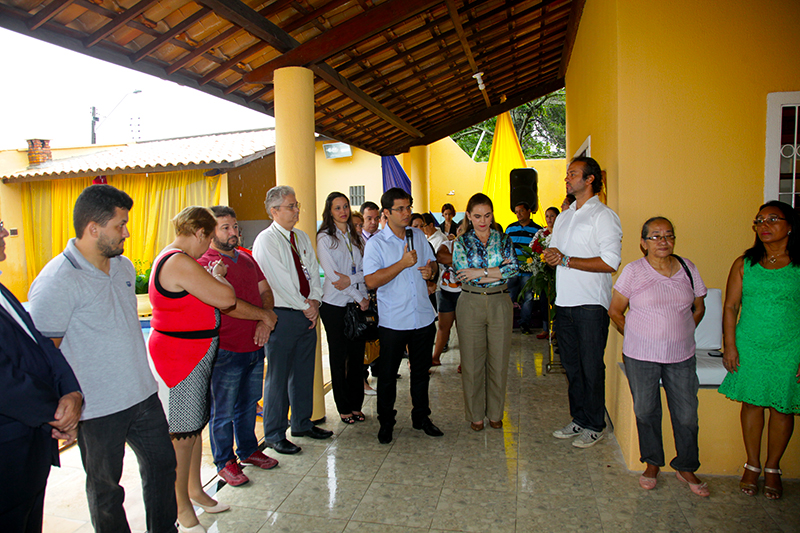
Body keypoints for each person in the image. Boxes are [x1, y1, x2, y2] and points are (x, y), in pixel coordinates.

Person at [29, 185, 178, 533]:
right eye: (120, 224)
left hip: (142, 394)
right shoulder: (57, 280)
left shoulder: (123, 266)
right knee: (107, 490)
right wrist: (61, 408)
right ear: (93, 228)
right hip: (96, 408)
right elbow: (44, 354)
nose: (126, 231)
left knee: (162, 466)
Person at [148, 206, 236, 532]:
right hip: (180, 358)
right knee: (182, 435)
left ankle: (195, 489)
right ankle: (181, 506)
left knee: (195, 427)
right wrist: (217, 277)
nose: (209, 247)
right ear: (199, 233)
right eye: (209, 239)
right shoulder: (178, 262)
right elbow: (225, 298)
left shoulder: (182, 259)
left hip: (194, 355)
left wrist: (212, 276)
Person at [608, 217, 709, 496]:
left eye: (668, 235)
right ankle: (652, 463)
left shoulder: (688, 268)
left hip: (681, 355)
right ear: (643, 243)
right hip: (641, 356)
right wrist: (637, 335)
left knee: (687, 414)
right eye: (655, 236)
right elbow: (615, 310)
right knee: (645, 411)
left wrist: (684, 330)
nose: (663, 241)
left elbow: (699, 307)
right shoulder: (634, 271)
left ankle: (686, 465)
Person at [0, 219, 83, 533]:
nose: (5, 232)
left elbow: (42, 345)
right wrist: (56, 413)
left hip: (29, 451)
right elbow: (5, 382)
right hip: (7, 454)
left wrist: (72, 393)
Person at [718, 201, 800, 500]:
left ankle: (773, 468)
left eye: (772, 219)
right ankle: (752, 464)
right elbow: (730, 306)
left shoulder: (798, 263)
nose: (763, 225)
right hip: (750, 343)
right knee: (752, 404)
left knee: (782, 407)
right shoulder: (745, 264)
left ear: (790, 225)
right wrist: (730, 345)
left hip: (790, 346)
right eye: (759, 220)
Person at [544, 156, 622, 448]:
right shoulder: (564, 216)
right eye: (567, 174)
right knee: (572, 367)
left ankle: (594, 424)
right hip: (564, 303)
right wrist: (553, 258)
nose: (567, 178)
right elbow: (556, 254)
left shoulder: (604, 216)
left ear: (590, 179)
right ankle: (578, 419)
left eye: (573, 174)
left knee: (591, 367)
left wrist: (566, 260)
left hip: (590, 305)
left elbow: (610, 262)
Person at [198, 206, 279, 489]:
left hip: (255, 344)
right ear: (210, 233)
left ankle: (248, 450)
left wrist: (265, 322)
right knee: (222, 410)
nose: (233, 232)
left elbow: (265, 291)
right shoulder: (205, 264)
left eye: (235, 226)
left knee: (248, 403)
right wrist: (263, 316)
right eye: (225, 228)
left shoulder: (245, 257)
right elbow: (226, 305)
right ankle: (224, 461)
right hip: (226, 349)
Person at [252, 186, 333, 456]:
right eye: (291, 206)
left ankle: (301, 423)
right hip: (283, 315)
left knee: (303, 372)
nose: (297, 210)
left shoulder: (300, 236)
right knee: (278, 377)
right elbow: (279, 280)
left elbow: (314, 272)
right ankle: (275, 433)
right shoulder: (267, 240)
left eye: (297, 205)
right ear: (274, 211)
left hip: (306, 312)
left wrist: (315, 301)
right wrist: (305, 306)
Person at [364, 187, 442, 444]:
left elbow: (433, 263)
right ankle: (386, 422)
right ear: (386, 213)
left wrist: (431, 271)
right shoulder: (376, 243)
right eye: (400, 209)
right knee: (387, 376)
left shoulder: (418, 235)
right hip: (394, 321)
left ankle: (421, 417)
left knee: (421, 373)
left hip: (422, 316)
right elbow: (372, 281)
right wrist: (402, 263)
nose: (407, 212)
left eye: (408, 207)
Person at [452, 194, 519, 430]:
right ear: (468, 216)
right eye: (477, 216)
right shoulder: (461, 242)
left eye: (487, 215)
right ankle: (475, 415)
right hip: (470, 302)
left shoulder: (503, 239)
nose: (483, 221)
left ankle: (495, 413)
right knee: (471, 362)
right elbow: (462, 272)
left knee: (499, 361)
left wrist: (479, 272)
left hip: (500, 301)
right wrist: (494, 271)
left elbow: (513, 269)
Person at [316, 192, 369, 424]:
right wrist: (358, 294)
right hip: (335, 305)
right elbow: (335, 278)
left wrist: (358, 290)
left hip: (357, 305)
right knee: (339, 358)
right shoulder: (325, 238)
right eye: (337, 208)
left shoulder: (357, 237)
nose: (343, 211)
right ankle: (344, 407)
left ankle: (357, 405)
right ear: (329, 212)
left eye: (345, 206)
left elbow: (367, 271)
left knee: (358, 358)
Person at [506, 201, 543, 334]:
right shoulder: (510, 229)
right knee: (509, 297)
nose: (518, 214)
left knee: (528, 298)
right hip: (513, 271)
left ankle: (524, 324)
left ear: (529, 211)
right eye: (516, 212)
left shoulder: (537, 230)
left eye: (521, 211)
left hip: (528, 272)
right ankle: (506, 324)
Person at [532, 206, 559, 339]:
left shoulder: (561, 232)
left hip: (558, 273)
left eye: (552, 216)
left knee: (556, 301)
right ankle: (545, 328)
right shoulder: (541, 233)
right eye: (547, 216)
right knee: (543, 300)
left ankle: (556, 329)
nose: (549, 219)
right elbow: (533, 247)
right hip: (544, 272)